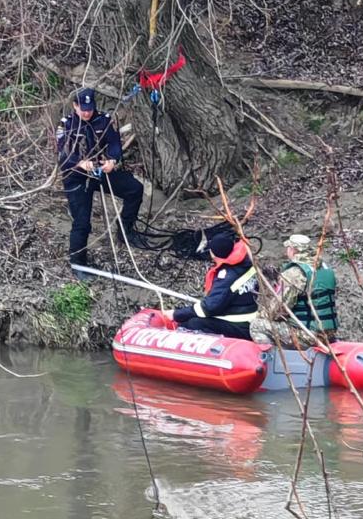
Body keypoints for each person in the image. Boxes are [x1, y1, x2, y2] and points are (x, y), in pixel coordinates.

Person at [56, 87, 144, 265]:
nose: (87, 113)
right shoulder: (66, 124)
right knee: (82, 221)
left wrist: (112, 160)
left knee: (135, 189)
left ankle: (125, 230)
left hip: (99, 169)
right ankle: (78, 263)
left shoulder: (103, 120)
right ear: (75, 106)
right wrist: (80, 163)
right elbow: (63, 153)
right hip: (76, 176)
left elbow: (114, 143)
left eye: (90, 109)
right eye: (83, 109)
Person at [164, 226, 259, 338]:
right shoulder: (246, 264)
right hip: (250, 317)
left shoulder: (227, 276)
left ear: (213, 253)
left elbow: (209, 308)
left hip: (240, 324)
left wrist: (176, 314)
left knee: (192, 324)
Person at [278, 233, 339, 339]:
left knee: (257, 326)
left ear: (292, 250)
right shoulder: (325, 268)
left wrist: (263, 315)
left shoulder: (294, 272)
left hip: (308, 333)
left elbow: (280, 309)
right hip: (330, 333)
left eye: (288, 248)